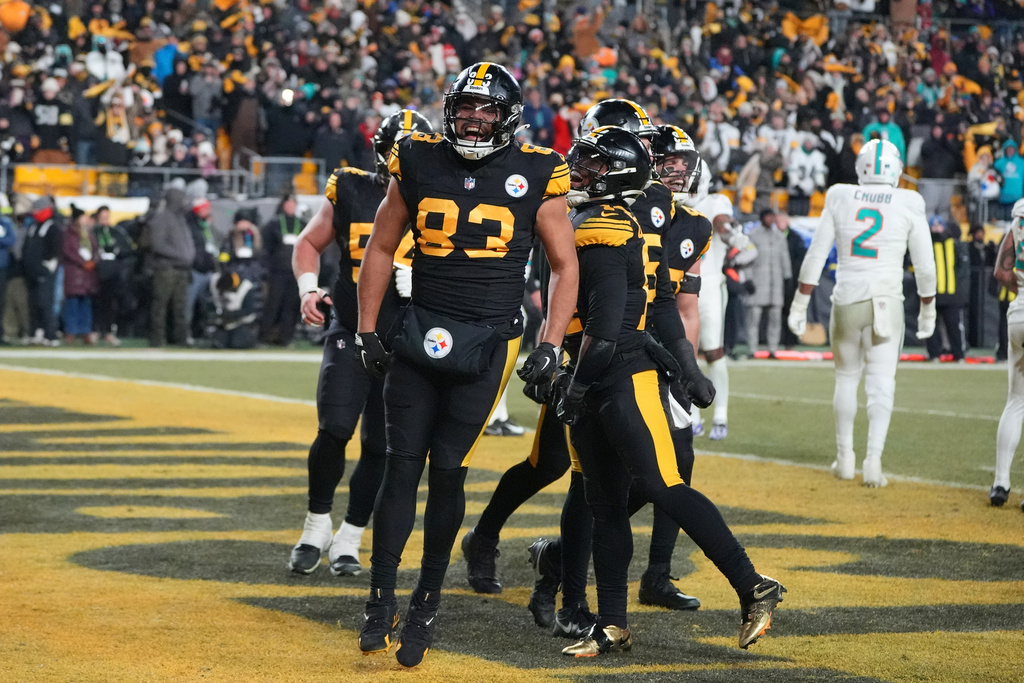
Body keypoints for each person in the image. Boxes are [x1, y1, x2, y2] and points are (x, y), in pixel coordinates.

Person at [353, 62, 578, 668]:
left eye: (487, 109)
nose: (475, 118)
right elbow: (379, 245)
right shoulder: (418, 158)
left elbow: (564, 266)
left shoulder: (538, 169)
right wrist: (366, 327)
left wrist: (551, 341)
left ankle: (427, 598)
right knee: (401, 466)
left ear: (508, 115)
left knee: (448, 469)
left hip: (490, 340)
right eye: (466, 107)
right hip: (419, 329)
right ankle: (380, 596)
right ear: (451, 110)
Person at [554, 125, 783, 657]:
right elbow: (658, 302)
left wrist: (580, 384)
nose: (580, 174)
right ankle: (612, 624)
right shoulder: (610, 219)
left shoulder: (607, 227)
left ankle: (754, 586)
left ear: (617, 175)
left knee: (663, 484)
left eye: (591, 167)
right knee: (605, 503)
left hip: (616, 372)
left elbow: (612, 329)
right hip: (592, 368)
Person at [286, 109, 433, 578]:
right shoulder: (352, 187)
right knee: (333, 429)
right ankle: (315, 524)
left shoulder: (445, 197)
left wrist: (426, 281)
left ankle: (350, 536)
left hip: (405, 341)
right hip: (351, 330)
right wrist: (309, 288)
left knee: (380, 446)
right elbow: (308, 244)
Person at [788, 140, 937, 487]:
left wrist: (799, 303)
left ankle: (844, 458)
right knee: (882, 385)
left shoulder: (841, 196)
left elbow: (816, 255)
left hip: (847, 300)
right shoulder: (909, 201)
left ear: (861, 167)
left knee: (845, 379)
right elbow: (925, 266)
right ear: (896, 170)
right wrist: (928, 309)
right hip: (886, 301)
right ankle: (873, 461)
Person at [688, 162, 746, 440]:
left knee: (713, 351)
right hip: (678, 288)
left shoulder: (714, 201)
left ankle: (720, 415)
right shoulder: (668, 202)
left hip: (708, 286)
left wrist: (731, 231)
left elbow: (722, 221)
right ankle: (691, 416)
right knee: (684, 353)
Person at [990, 198, 1024, 509]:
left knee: (1016, 401)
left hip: (1019, 315)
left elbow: (1002, 272)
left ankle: (1001, 482)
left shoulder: (1019, 214)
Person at [143, 186, 195, 347]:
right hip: (166, 268)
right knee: (160, 305)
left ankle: (180, 337)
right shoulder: (160, 219)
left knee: (181, 306)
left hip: (182, 269)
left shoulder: (181, 219)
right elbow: (157, 245)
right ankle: (157, 338)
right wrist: (180, 255)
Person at [746, 209, 792, 359]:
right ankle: (752, 349)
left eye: (773, 216)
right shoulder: (753, 236)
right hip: (758, 283)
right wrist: (748, 279)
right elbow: (747, 260)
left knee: (775, 319)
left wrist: (787, 277)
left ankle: (772, 349)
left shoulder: (779, 237)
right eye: (768, 216)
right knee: (754, 318)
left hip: (776, 285)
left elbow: (785, 258)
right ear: (762, 218)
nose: (771, 219)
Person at [260, 193, 304, 346]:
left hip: (296, 272)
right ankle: (264, 336)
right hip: (277, 272)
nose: (291, 207)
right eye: (288, 204)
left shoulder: (303, 224)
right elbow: (266, 249)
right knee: (273, 304)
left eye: (293, 204)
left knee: (290, 306)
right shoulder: (274, 224)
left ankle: (287, 337)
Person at [925, 215, 969, 362]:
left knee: (954, 327)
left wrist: (959, 291)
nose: (937, 229)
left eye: (939, 225)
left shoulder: (954, 244)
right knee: (931, 327)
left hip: (951, 294)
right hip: (932, 293)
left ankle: (959, 355)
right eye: (934, 226)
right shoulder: (927, 246)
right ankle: (934, 354)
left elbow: (962, 270)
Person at [22, 196, 63, 346]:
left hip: (45, 272)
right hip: (31, 272)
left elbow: (56, 247)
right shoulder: (33, 226)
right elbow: (27, 247)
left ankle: (50, 335)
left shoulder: (52, 226)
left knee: (45, 302)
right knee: (33, 304)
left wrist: (49, 263)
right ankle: (36, 332)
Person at [61, 205, 99, 345]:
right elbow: (68, 251)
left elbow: (96, 249)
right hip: (74, 274)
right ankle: (71, 331)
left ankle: (85, 331)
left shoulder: (88, 234)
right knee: (72, 304)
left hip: (88, 276)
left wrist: (93, 261)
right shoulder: (69, 234)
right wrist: (83, 262)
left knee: (85, 304)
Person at [186, 198, 219, 344]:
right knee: (189, 304)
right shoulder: (191, 226)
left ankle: (204, 333)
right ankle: (186, 334)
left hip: (208, 270)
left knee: (207, 306)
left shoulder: (207, 226)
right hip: (196, 270)